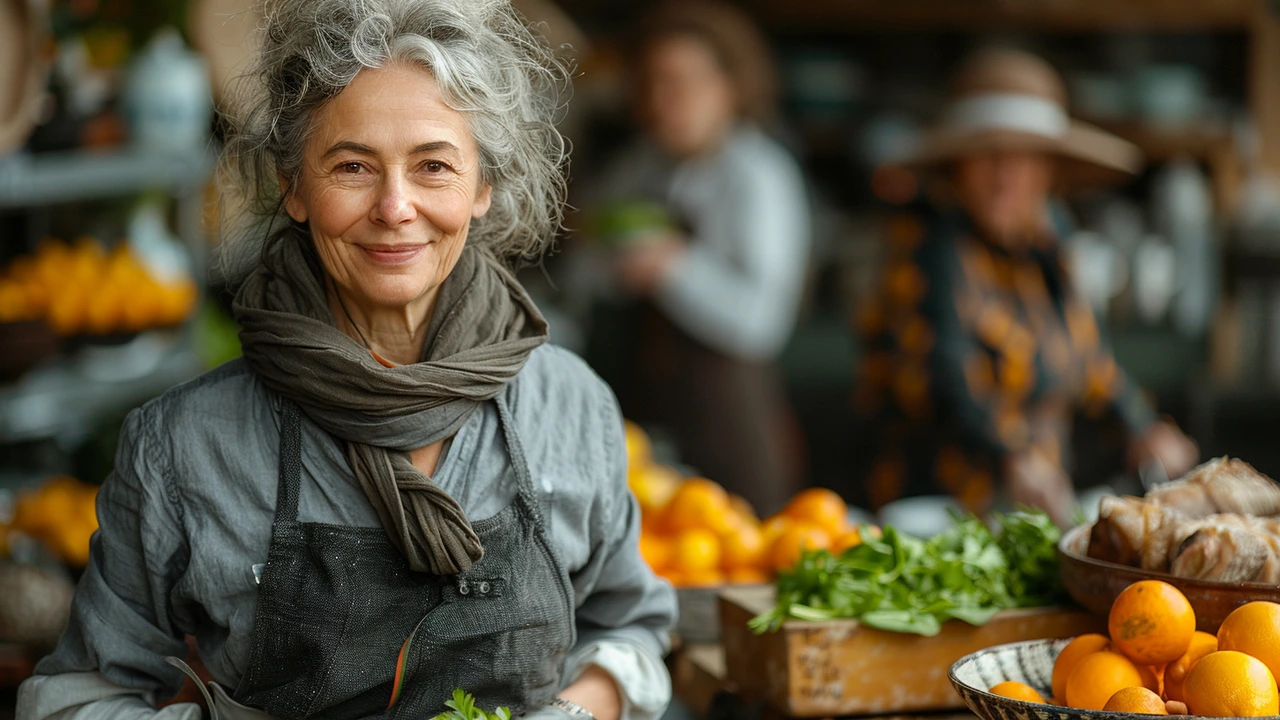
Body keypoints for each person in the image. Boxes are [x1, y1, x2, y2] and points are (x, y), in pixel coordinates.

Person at [17, 2, 676, 719]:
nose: (395, 207)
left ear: (482, 187)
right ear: (293, 187)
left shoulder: (570, 407)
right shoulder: (184, 446)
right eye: (353, 165)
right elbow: (74, 699)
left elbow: (630, 626)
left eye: (433, 166)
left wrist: (578, 708)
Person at [854, 48, 1198, 527]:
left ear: (1048, 170)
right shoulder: (926, 248)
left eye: (1023, 157)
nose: (1005, 176)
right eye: (987, 156)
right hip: (937, 517)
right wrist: (1010, 456)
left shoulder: (1050, 249)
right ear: (958, 166)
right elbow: (944, 381)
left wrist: (1143, 430)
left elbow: (1092, 366)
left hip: (1032, 513)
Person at [585, 1, 810, 517]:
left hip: (731, 416)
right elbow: (586, 272)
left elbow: (762, 322)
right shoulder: (636, 169)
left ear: (729, 86)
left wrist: (673, 266)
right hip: (641, 405)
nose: (663, 101)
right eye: (651, 84)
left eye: (681, 83)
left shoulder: (759, 175)